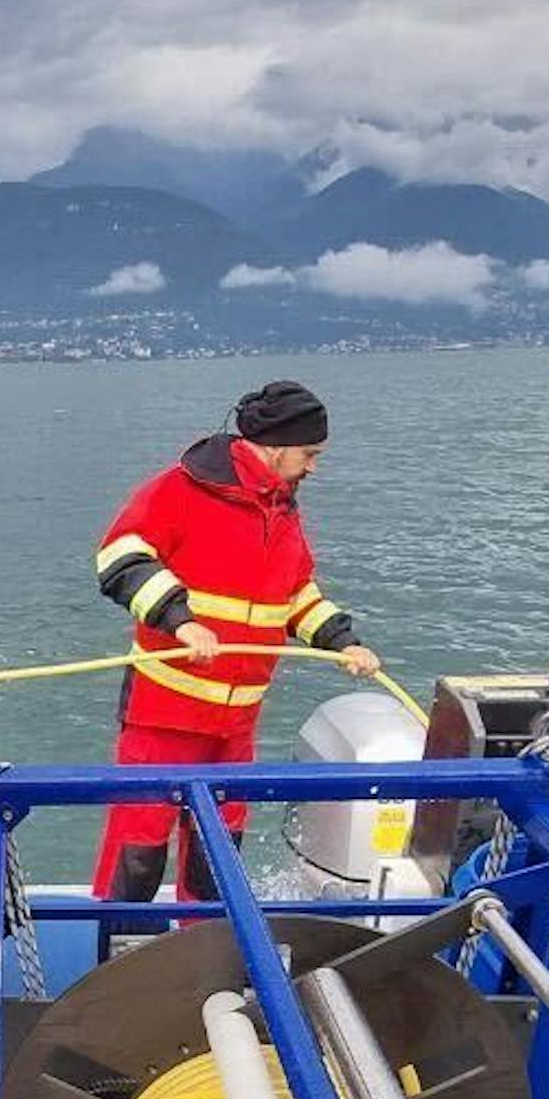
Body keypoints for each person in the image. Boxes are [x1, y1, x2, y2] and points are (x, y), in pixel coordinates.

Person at [90, 380, 380, 905]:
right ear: (274, 446)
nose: (313, 466)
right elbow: (118, 558)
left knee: (215, 855)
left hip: (236, 724)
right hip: (165, 714)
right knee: (138, 853)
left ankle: (203, 961)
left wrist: (343, 641)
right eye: (309, 454)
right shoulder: (177, 491)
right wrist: (179, 621)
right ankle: (118, 966)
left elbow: (296, 595)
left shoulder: (283, 508)